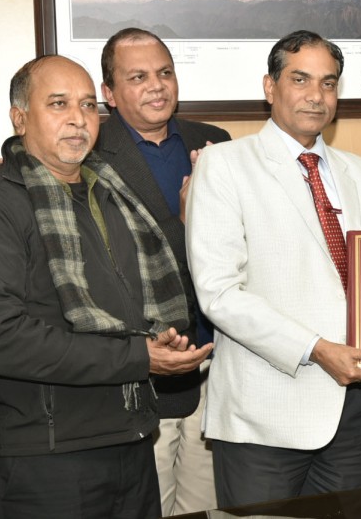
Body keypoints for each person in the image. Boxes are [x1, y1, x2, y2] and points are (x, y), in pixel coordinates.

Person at [0, 55, 212, 518]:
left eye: (88, 105)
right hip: (43, 459)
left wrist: (157, 341)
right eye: (59, 104)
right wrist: (138, 357)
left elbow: (123, 307)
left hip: (130, 437)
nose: (78, 119)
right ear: (19, 118)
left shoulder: (111, 193)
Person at [185, 30, 361, 506]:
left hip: (356, 412)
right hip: (265, 414)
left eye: (328, 83)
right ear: (270, 86)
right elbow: (219, 293)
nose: (316, 95)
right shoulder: (223, 165)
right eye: (300, 80)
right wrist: (316, 349)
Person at [95, 27, 231, 516]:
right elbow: (109, 261)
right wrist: (185, 222)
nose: (156, 86)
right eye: (138, 77)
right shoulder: (89, 153)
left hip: (216, 362)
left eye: (165, 72)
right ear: (109, 93)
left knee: (206, 508)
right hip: (142, 373)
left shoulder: (214, 143)